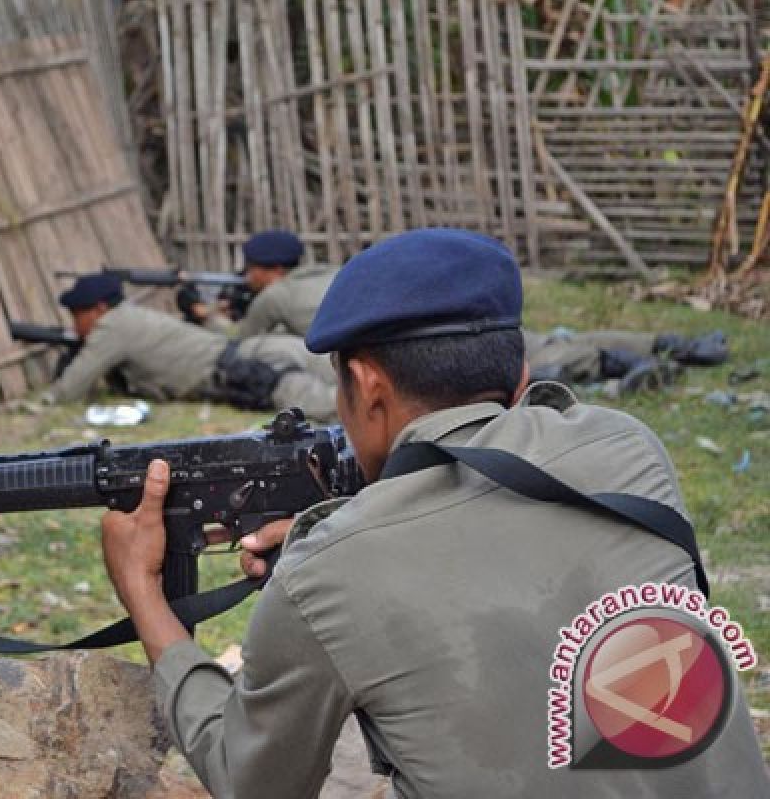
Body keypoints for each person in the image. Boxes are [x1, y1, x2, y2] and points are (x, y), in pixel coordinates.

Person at [99, 228, 767, 798]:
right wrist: (351, 529)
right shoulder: (629, 450)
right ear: (521, 368)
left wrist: (146, 596)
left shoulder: (326, 575)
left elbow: (253, 782)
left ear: (365, 384)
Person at [45, 273, 338, 421]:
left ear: (97, 310)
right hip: (264, 350)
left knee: (335, 408)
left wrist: (45, 401)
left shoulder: (112, 327)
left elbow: (69, 390)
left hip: (250, 370)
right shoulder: (131, 317)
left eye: (77, 316)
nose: (75, 325)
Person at [179, 229, 338, 338]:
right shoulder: (332, 272)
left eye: (251, 268)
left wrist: (208, 316)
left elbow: (239, 337)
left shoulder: (277, 295)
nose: (248, 276)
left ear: (277, 269)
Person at [524, 328, 728, 393]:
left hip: (535, 341)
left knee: (606, 338)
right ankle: (650, 371)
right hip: (523, 360)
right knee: (585, 356)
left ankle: (688, 347)